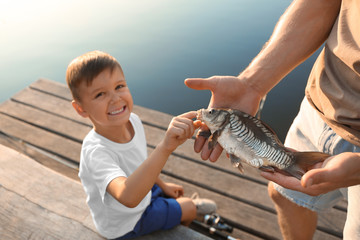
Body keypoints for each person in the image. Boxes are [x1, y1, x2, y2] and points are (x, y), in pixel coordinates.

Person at [185, 0, 360, 239]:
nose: (207, 114)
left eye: (212, 115)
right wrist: (252, 84)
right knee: (285, 195)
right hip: (322, 103)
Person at [66, 51, 216, 239]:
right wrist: (165, 147)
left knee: (174, 193)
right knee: (188, 207)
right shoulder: (96, 152)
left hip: (140, 194)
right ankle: (183, 224)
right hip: (125, 223)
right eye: (100, 94)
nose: (115, 99)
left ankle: (170, 208)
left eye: (119, 86)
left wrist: (161, 185)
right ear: (81, 108)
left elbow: (138, 162)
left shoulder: (133, 121)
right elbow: (127, 197)